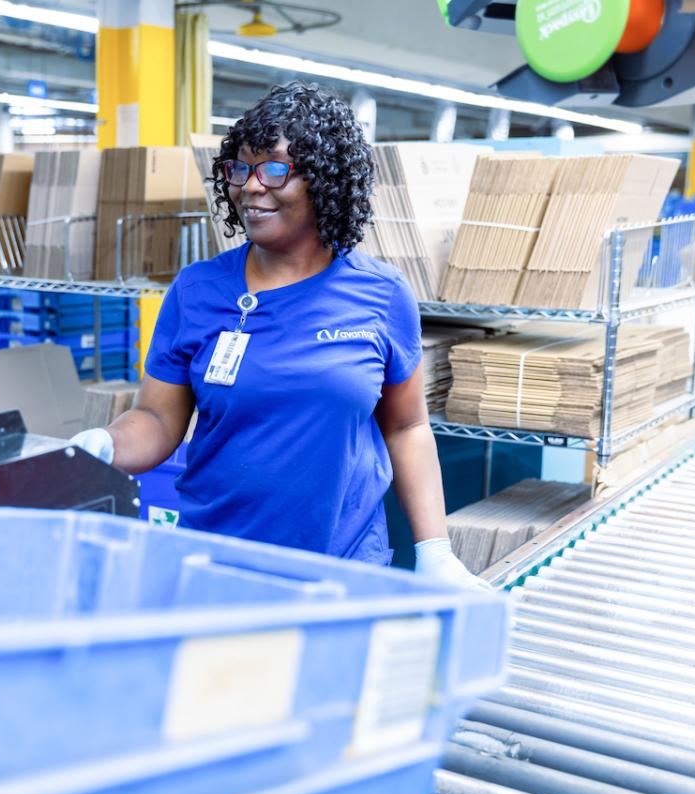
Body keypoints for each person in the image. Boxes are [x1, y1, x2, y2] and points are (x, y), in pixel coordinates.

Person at [72, 81, 486, 590]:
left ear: (325, 181)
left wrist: (435, 550)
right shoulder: (198, 290)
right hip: (217, 564)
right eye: (240, 168)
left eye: (273, 169)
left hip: (342, 570)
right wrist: (105, 445)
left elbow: (406, 428)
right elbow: (159, 419)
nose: (249, 186)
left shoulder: (380, 294)